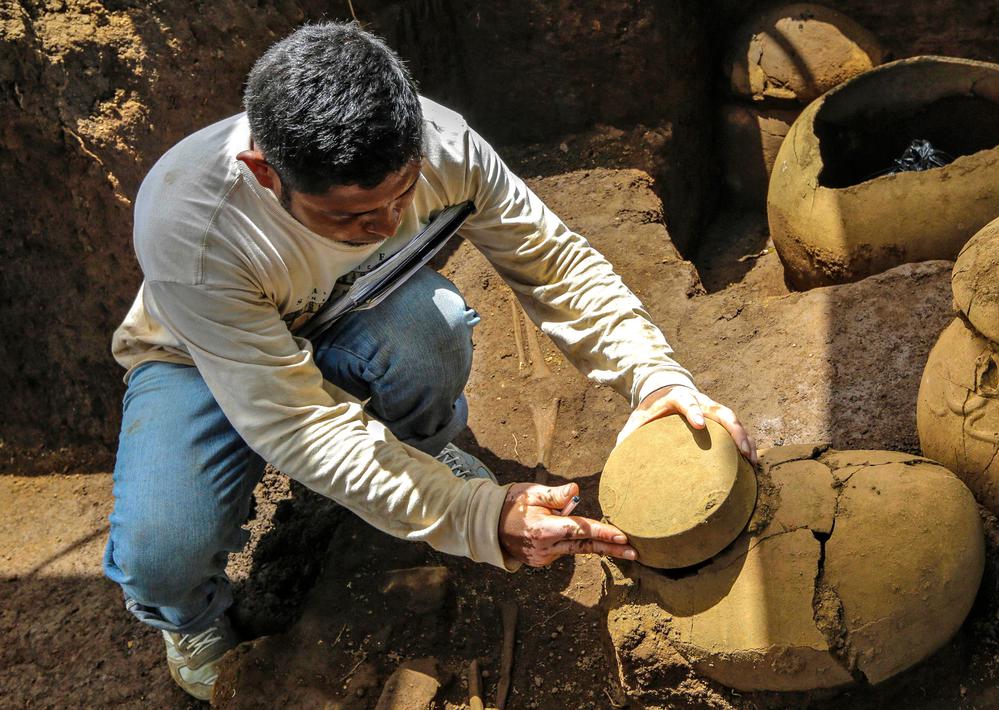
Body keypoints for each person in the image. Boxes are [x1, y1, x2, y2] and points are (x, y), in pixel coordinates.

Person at [104, 21, 756, 701]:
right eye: (351, 217)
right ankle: (189, 618)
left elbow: (553, 263)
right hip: (208, 355)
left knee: (432, 325)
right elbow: (296, 424)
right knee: (161, 552)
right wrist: (474, 516)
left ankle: (420, 447)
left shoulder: (442, 142)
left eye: (402, 194)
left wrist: (650, 374)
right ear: (266, 174)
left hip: (360, 311)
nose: (387, 225)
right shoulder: (193, 222)